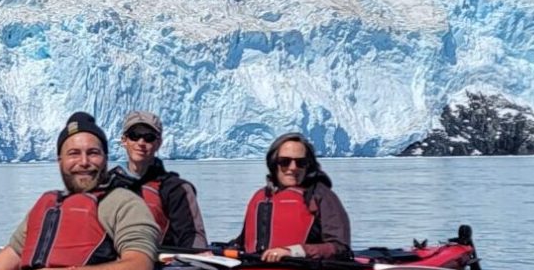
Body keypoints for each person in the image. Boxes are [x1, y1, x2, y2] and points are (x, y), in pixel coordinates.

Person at [0, 112, 159, 270]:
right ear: (60, 161)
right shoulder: (49, 205)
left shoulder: (124, 203)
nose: (84, 162)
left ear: (105, 158)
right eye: (74, 154)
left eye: (93, 153)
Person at [231, 132, 352, 261]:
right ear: (274, 164)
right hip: (257, 269)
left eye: (301, 163)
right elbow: (243, 242)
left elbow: (340, 247)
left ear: (308, 165)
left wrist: (293, 252)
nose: (293, 168)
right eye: (285, 162)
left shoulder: (321, 196)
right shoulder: (260, 196)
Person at [108, 110, 208, 250]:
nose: (141, 143)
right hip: (111, 267)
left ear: (158, 143)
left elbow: (192, 238)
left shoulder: (176, 190)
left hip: (160, 267)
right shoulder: (107, 184)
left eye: (149, 137)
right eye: (134, 136)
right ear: (124, 141)